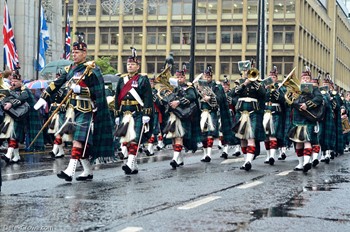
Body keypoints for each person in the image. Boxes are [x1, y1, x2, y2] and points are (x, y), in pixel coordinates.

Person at [34, 35, 114, 181]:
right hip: (71, 109)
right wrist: (44, 97)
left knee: (78, 139)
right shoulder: (70, 68)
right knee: (76, 141)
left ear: (84, 54)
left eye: (77, 52)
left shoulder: (91, 69)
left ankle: (70, 171)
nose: (74, 55)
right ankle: (88, 171)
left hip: (85, 109)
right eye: (73, 52)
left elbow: (98, 93)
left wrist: (81, 90)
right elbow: (56, 83)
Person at [114, 47, 153, 175]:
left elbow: (147, 97)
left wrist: (146, 113)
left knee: (134, 139)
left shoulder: (142, 79)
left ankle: (130, 164)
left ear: (138, 66)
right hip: (125, 113)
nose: (130, 66)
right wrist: (117, 113)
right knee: (126, 139)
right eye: (128, 64)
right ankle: (134, 166)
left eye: (132, 64)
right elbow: (117, 97)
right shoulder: (122, 80)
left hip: (137, 112)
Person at [0, 72, 45, 164]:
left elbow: (23, 97)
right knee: (11, 136)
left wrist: (11, 103)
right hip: (12, 116)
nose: (13, 83)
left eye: (15, 81)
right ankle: (16, 156)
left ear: (20, 81)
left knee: (14, 136)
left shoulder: (25, 89)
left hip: (21, 116)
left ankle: (8, 155)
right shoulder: (11, 90)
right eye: (12, 81)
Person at [162, 66, 200, 169]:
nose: (179, 79)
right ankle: (179, 158)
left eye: (181, 77)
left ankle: (174, 159)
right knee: (174, 138)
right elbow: (164, 101)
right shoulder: (171, 88)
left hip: (183, 115)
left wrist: (178, 101)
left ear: (184, 77)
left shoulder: (189, 87)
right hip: (173, 115)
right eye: (177, 77)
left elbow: (192, 97)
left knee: (179, 137)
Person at [287, 67, 323, 173]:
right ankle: (300, 163)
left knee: (307, 140)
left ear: (310, 79)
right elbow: (290, 102)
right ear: (301, 79)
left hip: (308, 117)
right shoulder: (296, 89)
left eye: (307, 78)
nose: (305, 79)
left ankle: (307, 162)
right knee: (298, 142)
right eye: (304, 78)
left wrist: (307, 104)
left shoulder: (314, 89)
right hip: (297, 118)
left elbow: (319, 99)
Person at [197, 65, 233, 163]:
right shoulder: (199, 85)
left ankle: (208, 154)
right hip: (202, 112)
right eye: (205, 76)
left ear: (211, 76)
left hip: (212, 112)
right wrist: (198, 90)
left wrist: (210, 98)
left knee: (210, 133)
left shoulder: (216, 86)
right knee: (203, 134)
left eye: (208, 76)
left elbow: (220, 98)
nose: (206, 78)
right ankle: (205, 154)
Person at [233, 67, 266, 171]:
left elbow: (263, 93)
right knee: (242, 138)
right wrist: (244, 83)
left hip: (253, 113)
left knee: (251, 138)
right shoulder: (241, 83)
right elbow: (234, 92)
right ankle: (245, 160)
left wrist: (254, 82)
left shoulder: (258, 85)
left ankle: (249, 161)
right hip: (241, 113)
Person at [262, 67, 286, 165]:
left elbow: (284, 100)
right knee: (266, 136)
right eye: (270, 76)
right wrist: (265, 90)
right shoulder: (264, 87)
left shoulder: (280, 88)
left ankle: (272, 156)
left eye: (274, 76)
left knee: (273, 135)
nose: (272, 78)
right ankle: (268, 156)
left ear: (276, 78)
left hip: (276, 113)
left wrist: (277, 93)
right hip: (266, 112)